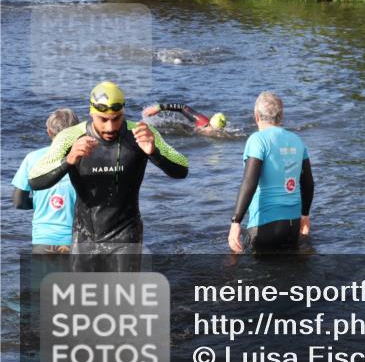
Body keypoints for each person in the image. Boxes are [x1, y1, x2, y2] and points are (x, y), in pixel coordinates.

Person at [28, 81, 189, 257]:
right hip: (85, 236)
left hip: (126, 235)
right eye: (103, 120)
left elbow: (182, 169)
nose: (110, 127)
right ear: (91, 113)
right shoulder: (70, 137)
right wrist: (69, 160)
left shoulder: (141, 133)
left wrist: (154, 152)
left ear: (123, 112)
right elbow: (35, 180)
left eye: (116, 118)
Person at [228, 92, 313, 254]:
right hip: (292, 226)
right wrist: (305, 216)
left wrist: (235, 222)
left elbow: (249, 182)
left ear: (256, 116)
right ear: (281, 116)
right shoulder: (297, 140)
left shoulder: (257, 140)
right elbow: (308, 183)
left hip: (264, 225)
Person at [11, 109, 80, 254]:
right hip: (78, 240)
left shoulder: (33, 158)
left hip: (43, 240)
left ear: (49, 132)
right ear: (77, 132)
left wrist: (37, 202)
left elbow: (18, 202)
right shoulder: (85, 158)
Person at [142, 102, 227, 135]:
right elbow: (182, 107)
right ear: (208, 124)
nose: (212, 131)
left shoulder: (220, 133)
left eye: (217, 131)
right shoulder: (200, 120)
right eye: (210, 128)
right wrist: (159, 107)